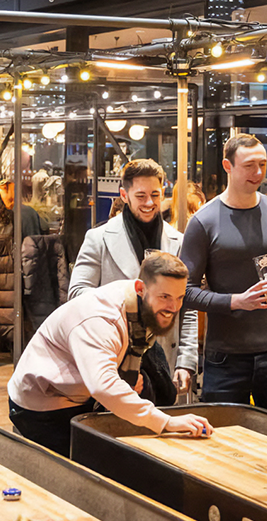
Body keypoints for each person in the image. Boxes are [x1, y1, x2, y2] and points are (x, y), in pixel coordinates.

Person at [8, 252, 214, 457]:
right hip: (41, 404)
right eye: (165, 297)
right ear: (140, 288)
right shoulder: (102, 319)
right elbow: (103, 385)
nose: (173, 307)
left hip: (80, 395)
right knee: (72, 475)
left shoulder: (138, 304)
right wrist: (166, 422)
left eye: (179, 298)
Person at [180, 133, 267, 418]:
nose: (259, 173)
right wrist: (235, 301)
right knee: (223, 445)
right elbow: (185, 291)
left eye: (263, 164)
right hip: (224, 357)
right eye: (249, 165)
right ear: (228, 165)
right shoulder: (204, 221)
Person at [68, 159, 198, 395]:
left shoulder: (177, 240)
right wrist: (129, 297)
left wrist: (186, 361)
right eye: (141, 196)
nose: (149, 202)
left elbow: (187, 307)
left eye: (155, 195)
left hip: (166, 359)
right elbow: (76, 295)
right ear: (124, 195)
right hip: (116, 359)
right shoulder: (99, 238)